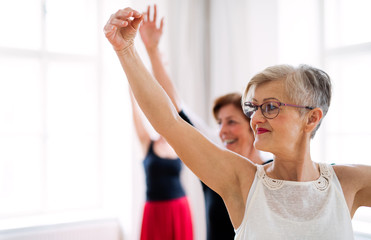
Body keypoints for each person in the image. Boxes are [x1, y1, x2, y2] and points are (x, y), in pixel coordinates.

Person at [104, 8, 371, 239]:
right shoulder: (241, 180)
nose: (255, 118)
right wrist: (126, 50)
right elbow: (171, 121)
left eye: (270, 107)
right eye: (253, 108)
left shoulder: (348, 181)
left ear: (311, 118)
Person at [138, 5, 271, 239]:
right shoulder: (214, 158)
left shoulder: (272, 170)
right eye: (219, 122)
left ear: (253, 125)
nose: (222, 131)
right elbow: (175, 106)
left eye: (231, 122)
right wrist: (152, 50)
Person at [129, 89, 193, 240]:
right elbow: (136, 117)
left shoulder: (177, 145)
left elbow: (180, 111)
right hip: (155, 209)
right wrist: (131, 90)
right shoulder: (147, 143)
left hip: (179, 207)